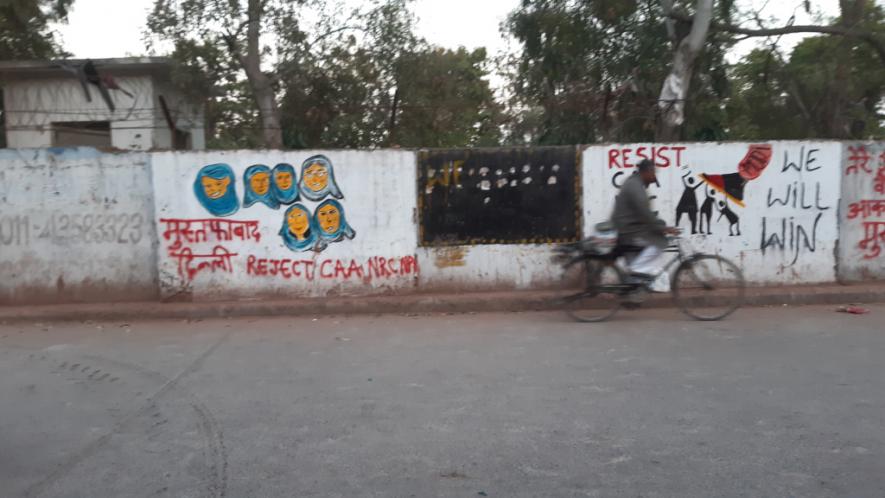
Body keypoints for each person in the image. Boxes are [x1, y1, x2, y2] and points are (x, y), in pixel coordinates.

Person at [612, 159, 679, 285]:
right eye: (653, 173)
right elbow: (645, 214)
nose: (654, 176)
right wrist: (663, 229)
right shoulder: (635, 187)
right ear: (647, 172)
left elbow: (644, 214)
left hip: (630, 228)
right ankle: (634, 271)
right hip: (630, 232)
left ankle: (635, 282)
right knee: (659, 242)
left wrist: (660, 226)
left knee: (655, 238)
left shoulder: (635, 183)